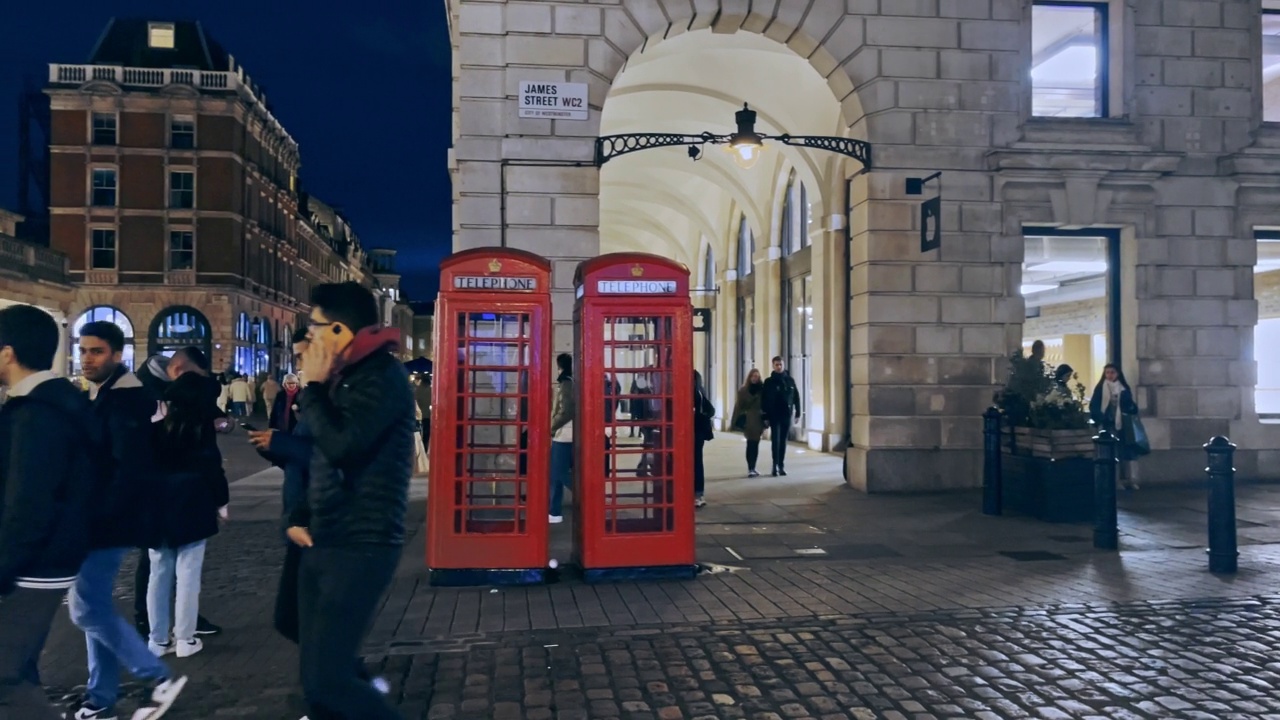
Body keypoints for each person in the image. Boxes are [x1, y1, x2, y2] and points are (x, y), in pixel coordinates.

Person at [289, 282, 412, 720]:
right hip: (327, 537)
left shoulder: (380, 376)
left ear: (340, 331)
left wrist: (313, 390)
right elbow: (317, 454)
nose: (308, 338)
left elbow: (344, 445)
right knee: (319, 680)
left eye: (315, 327)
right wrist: (300, 513)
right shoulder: (347, 376)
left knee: (330, 681)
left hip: (362, 543)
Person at [70, 321, 187, 720]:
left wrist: (98, 514)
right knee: (95, 605)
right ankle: (99, 697)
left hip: (109, 518)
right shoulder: (108, 393)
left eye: (96, 351)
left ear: (118, 355)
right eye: (83, 350)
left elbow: (127, 467)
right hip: (107, 515)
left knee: (86, 609)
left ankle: (156, 675)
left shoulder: (124, 399)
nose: (87, 358)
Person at [0, 305, 96, 720]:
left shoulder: (36, 414)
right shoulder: (55, 403)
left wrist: (3, 566)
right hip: (50, 557)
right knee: (16, 671)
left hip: (34, 564)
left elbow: (27, 503)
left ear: (7, 353)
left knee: (5, 680)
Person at [134, 348, 225, 641]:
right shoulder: (146, 391)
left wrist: (220, 421)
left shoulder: (172, 392)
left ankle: (169, 629)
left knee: (165, 564)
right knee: (164, 564)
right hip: (170, 490)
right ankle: (157, 626)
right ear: (180, 369)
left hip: (167, 491)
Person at [1089, 363, 1144, 490]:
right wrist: (1101, 418)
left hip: (1124, 425)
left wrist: (1129, 407)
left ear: (1117, 374)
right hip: (1108, 425)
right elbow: (1095, 406)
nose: (1109, 375)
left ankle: (1131, 479)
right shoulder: (1100, 388)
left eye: (1112, 372)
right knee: (1111, 453)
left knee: (1127, 452)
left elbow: (1131, 406)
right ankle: (1114, 480)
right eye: (1107, 372)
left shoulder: (1123, 388)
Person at [761, 356, 801, 477]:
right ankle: (775, 466)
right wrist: (765, 417)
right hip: (774, 415)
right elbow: (764, 400)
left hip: (786, 415)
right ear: (773, 366)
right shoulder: (769, 382)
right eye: (777, 364)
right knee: (775, 441)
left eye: (781, 364)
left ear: (784, 365)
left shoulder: (790, 380)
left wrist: (798, 412)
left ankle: (781, 465)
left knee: (783, 441)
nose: (779, 366)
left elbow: (796, 397)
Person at [549, 353, 574, 524]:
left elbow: (565, 411)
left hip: (564, 434)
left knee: (559, 473)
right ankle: (554, 512)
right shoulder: (568, 382)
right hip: (565, 433)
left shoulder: (566, 384)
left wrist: (551, 427)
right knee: (555, 474)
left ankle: (586, 495)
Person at [730, 368, 766, 477]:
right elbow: (738, 406)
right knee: (750, 443)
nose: (755, 378)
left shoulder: (762, 390)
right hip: (749, 420)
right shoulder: (743, 391)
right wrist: (735, 421)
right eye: (753, 376)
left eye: (757, 376)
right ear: (749, 377)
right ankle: (751, 467)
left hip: (758, 420)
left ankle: (753, 467)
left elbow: (766, 404)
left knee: (755, 444)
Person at [692, 370, 715, 508]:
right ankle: (698, 493)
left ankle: (698, 493)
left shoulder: (696, 392)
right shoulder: (700, 390)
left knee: (696, 462)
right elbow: (711, 410)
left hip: (695, 431)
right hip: (697, 431)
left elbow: (710, 410)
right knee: (697, 462)